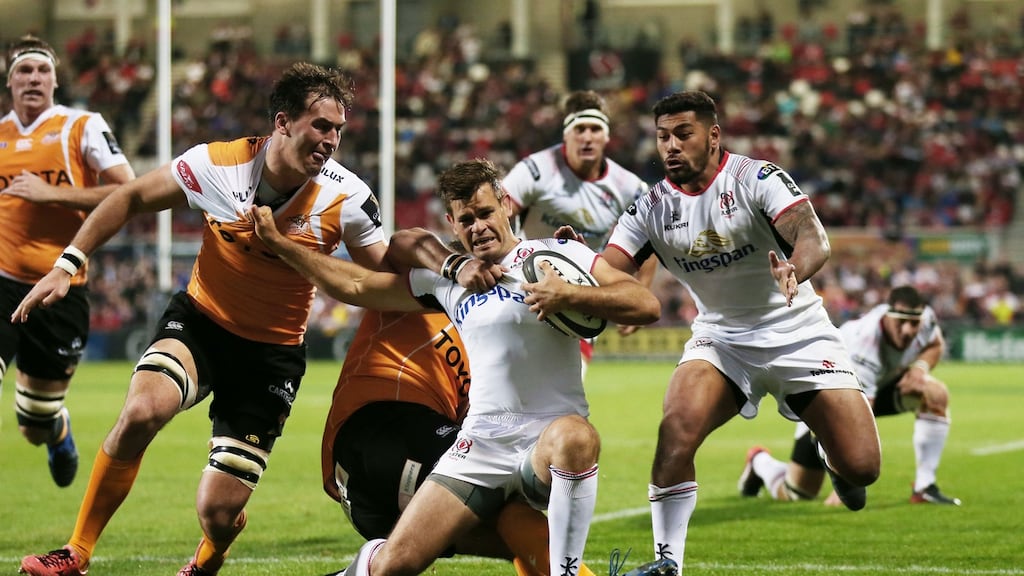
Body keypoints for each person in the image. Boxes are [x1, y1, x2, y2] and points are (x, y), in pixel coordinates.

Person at [15, 62, 391, 576]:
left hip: (271, 357)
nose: (331, 140)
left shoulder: (346, 197)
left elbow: (383, 283)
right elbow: (129, 197)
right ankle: (76, 552)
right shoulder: (217, 165)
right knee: (142, 411)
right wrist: (69, 263)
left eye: (339, 131)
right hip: (201, 323)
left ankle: (211, 553)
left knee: (217, 511)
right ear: (283, 122)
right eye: (321, 126)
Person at [250, 158, 661, 576]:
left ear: (505, 206)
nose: (478, 226)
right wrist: (281, 244)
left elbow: (645, 304)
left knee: (577, 436)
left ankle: (565, 573)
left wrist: (569, 294)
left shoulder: (557, 253)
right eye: (466, 220)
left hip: (544, 441)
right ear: (452, 223)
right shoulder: (447, 282)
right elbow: (356, 285)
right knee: (396, 564)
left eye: (485, 213)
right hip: (478, 448)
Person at [600, 90, 882, 572]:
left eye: (683, 134)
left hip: (799, 333)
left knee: (862, 469)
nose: (671, 146)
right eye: (663, 136)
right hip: (722, 340)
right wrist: (575, 268)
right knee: (676, 432)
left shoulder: (756, 178)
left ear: (713, 135)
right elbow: (608, 267)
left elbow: (812, 235)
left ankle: (834, 459)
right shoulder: (648, 207)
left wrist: (795, 267)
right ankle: (667, 563)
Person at [0, 34, 136, 488]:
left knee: (32, 424)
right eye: (24, 71)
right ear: (10, 81)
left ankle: (55, 428)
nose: (33, 78)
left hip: (61, 288)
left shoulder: (83, 126)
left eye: (42, 71)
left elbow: (126, 190)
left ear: (55, 81)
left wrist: (51, 192)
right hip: (3, 280)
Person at [739, 285, 961, 506]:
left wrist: (919, 368)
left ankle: (925, 487)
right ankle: (759, 461)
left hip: (881, 383)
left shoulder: (926, 319)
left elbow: (935, 344)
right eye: (901, 322)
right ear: (887, 316)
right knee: (798, 492)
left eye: (913, 323)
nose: (907, 331)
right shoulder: (862, 344)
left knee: (935, 394)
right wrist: (847, 479)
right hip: (831, 397)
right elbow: (858, 419)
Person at [501, 89, 654, 378]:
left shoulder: (628, 187)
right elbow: (499, 214)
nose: (587, 137)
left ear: (606, 137)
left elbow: (648, 242)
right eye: (579, 129)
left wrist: (641, 288)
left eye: (595, 129)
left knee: (570, 386)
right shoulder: (535, 170)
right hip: (523, 286)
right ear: (566, 135)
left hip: (580, 294)